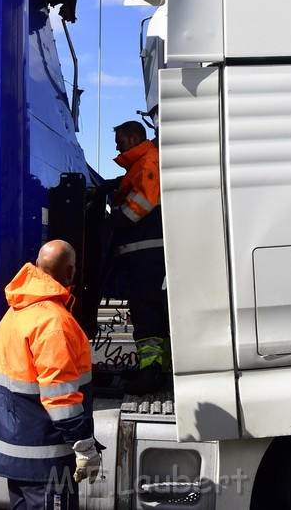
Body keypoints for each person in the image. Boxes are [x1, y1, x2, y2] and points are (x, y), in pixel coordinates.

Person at [0, 240, 101, 510]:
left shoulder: (15, 313)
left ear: (38, 267)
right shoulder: (55, 322)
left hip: (17, 453)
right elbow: (60, 395)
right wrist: (84, 444)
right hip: (47, 459)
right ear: (71, 272)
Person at [108, 120, 170, 395]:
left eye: (120, 142)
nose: (117, 147)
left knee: (146, 314)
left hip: (146, 254)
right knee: (150, 313)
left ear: (133, 139)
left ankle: (151, 372)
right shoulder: (142, 163)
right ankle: (158, 369)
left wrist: (112, 220)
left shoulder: (147, 161)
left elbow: (142, 204)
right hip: (145, 254)